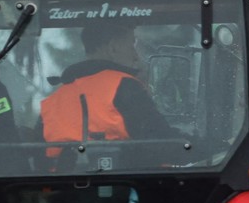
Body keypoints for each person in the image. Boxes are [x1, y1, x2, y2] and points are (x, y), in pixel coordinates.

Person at [41, 21, 175, 150]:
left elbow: (41, 156)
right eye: (131, 45)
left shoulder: (52, 102)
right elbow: (162, 141)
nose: (136, 56)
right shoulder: (126, 87)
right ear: (113, 48)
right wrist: (192, 144)